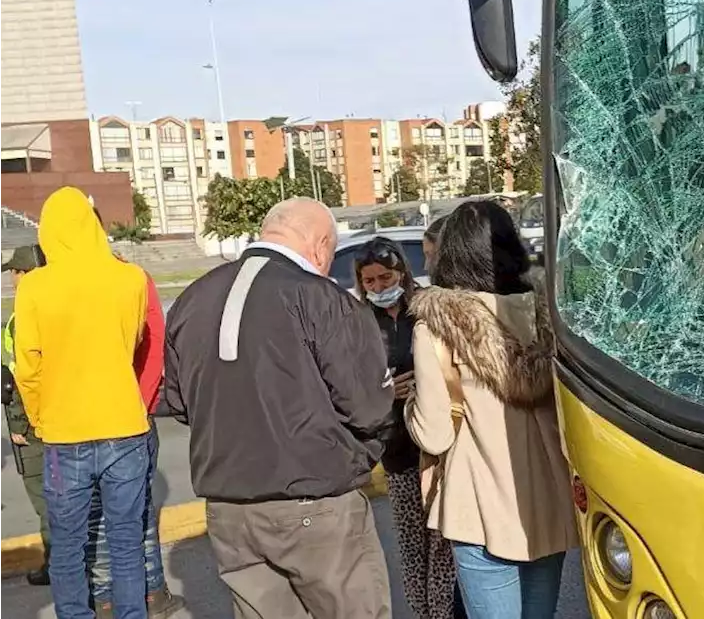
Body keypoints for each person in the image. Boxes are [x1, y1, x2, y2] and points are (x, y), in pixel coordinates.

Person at [164, 197, 396, 619]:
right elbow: (368, 407)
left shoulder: (192, 298)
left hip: (230, 508)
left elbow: (178, 402)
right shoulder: (321, 298)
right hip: (315, 500)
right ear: (322, 244)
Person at [405, 201, 577, 619]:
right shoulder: (550, 315)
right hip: (549, 500)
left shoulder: (437, 326)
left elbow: (435, 435)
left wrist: (411, 405)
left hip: (478, 507)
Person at [14, 187, 153, 619]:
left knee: (69, 545)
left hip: (64, 434)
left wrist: (39, 418)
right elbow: (133, 344)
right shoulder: (130, 278)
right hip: (125, 428)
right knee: (127, 542)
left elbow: (28, 367)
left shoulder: (35, 286)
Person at [353, 237, 463, 619]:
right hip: (397, 450)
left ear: (401, 272)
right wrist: (385, 391)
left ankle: (445, 612)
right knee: (413, 544)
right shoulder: (360, 323)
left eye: (386, 277)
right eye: (370, 282)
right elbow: (352, 385)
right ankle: (425, 613)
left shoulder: (426, 310)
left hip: (437, 448)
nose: (380, 287)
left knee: (444, 540)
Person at [85, 208, 185, 618]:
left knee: (97, 518)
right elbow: (154, 346)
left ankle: (107, 598)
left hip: (77, 424)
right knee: (137, 510)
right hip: (129, 417)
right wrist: (140, 404)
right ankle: (150, 593)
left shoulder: (47, 285)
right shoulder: (130, 278)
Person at [1, 244, 50, 586]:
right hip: (60, 417)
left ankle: (57, 565)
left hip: (33, 423)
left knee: (44, 495)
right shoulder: (59, 305)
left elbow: (23, 375)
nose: (12, 280)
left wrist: (19, 424)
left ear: (23, 273)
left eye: (15, 273)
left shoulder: (25, 315)